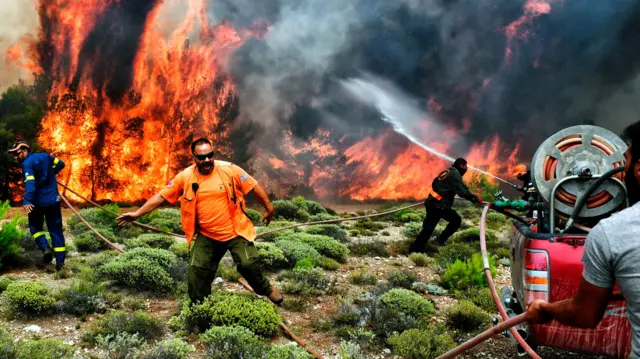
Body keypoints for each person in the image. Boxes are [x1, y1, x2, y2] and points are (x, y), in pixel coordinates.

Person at [116, 138, 283, 304]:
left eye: (210, 155)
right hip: (207, 235)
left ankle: (266, 290)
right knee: (196, 271)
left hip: (236, 231)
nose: (207, 160)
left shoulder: (230, 169)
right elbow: (161, 196)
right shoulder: (185, 176)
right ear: (194, 158)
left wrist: (269, 208)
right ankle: (200, 308)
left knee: (248, 265)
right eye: (201, 157)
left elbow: (253, 186)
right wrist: (136, 214)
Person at [526, 121, 640, 357]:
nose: (620, 167)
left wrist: (546, 308)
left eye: (626, 159)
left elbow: (584, 313)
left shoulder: (612, 233)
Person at [7, 141, 67, 271]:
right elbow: (61, 164)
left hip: (38, 203)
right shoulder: (46, 156)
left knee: (35, 227)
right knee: (56, 231)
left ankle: (45, 248)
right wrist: (51, 174)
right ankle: (60, 263)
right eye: (14, 155)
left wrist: (27, 201)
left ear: (25, 150)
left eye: (17, 154)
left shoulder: (27, 164)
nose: (16, 157)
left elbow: (30, 184)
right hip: (53, 201)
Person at [409, 158, 481, 252]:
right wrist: (475, 199)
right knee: (454, 220)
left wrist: (446, 194)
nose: (466, 169)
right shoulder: (455, 174)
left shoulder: (447, 171)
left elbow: (435, 183)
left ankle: (417, 248)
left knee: (429, 228)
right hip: (438, 206)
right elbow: (462, 191)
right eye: (466, 167)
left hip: (433, 203)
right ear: (462, 166)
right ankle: (434, 243)